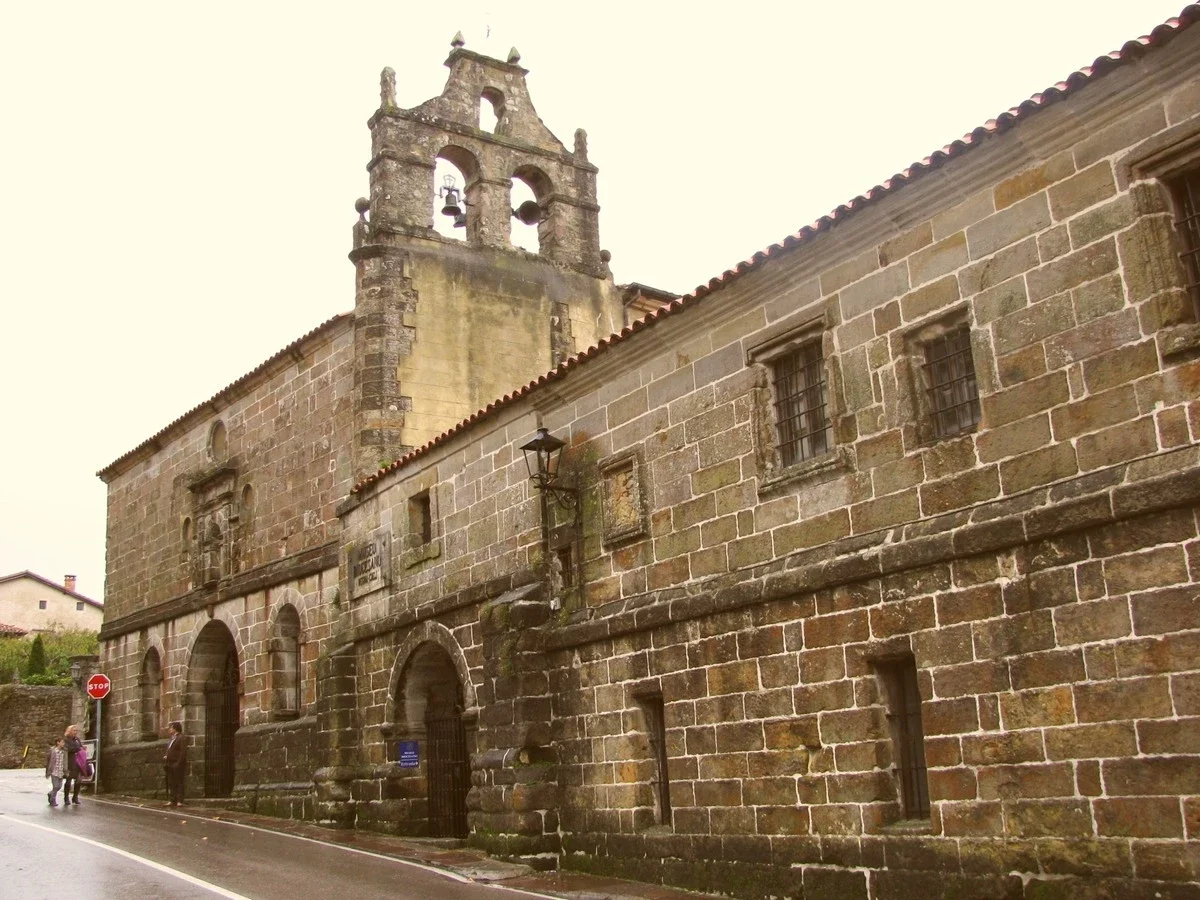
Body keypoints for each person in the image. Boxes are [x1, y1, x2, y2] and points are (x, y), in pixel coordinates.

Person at [164, 721, 187, 807]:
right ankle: (172, 799)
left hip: (177, 764)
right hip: (169, 763)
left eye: (171, 728)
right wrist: (167, 756)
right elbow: (170, 750)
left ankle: (179, 800)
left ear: (175, 729)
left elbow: (183, 752)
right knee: (171, 782)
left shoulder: (181, 738)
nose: (170, 729)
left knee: (179, 782)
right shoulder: (171, 739)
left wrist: (178, 763)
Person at [62, 724, 84, 805]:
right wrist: (78, 749)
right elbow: (68, 749)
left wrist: (82, 748)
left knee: (78, 780)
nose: (75, 732)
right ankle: (66, 797)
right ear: (69, 731)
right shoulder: (66, 740)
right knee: (69, 780)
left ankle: (75, 797)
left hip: (78, 762)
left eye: (76, 731)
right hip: (70, 762)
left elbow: (80, 747)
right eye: (74, 731)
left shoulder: (77, 740)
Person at [45, 737, 66, 807]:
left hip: (61, 771)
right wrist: (47, 771)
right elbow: (48, 761)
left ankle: (50, 793)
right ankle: (52, 800)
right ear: (58, 742)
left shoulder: (64, 751)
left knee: (59, 786)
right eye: (62, 742)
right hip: (54, 771)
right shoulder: (53, 751)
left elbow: (66, 762)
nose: (63, 744)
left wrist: (66, 770)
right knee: (55, 786)